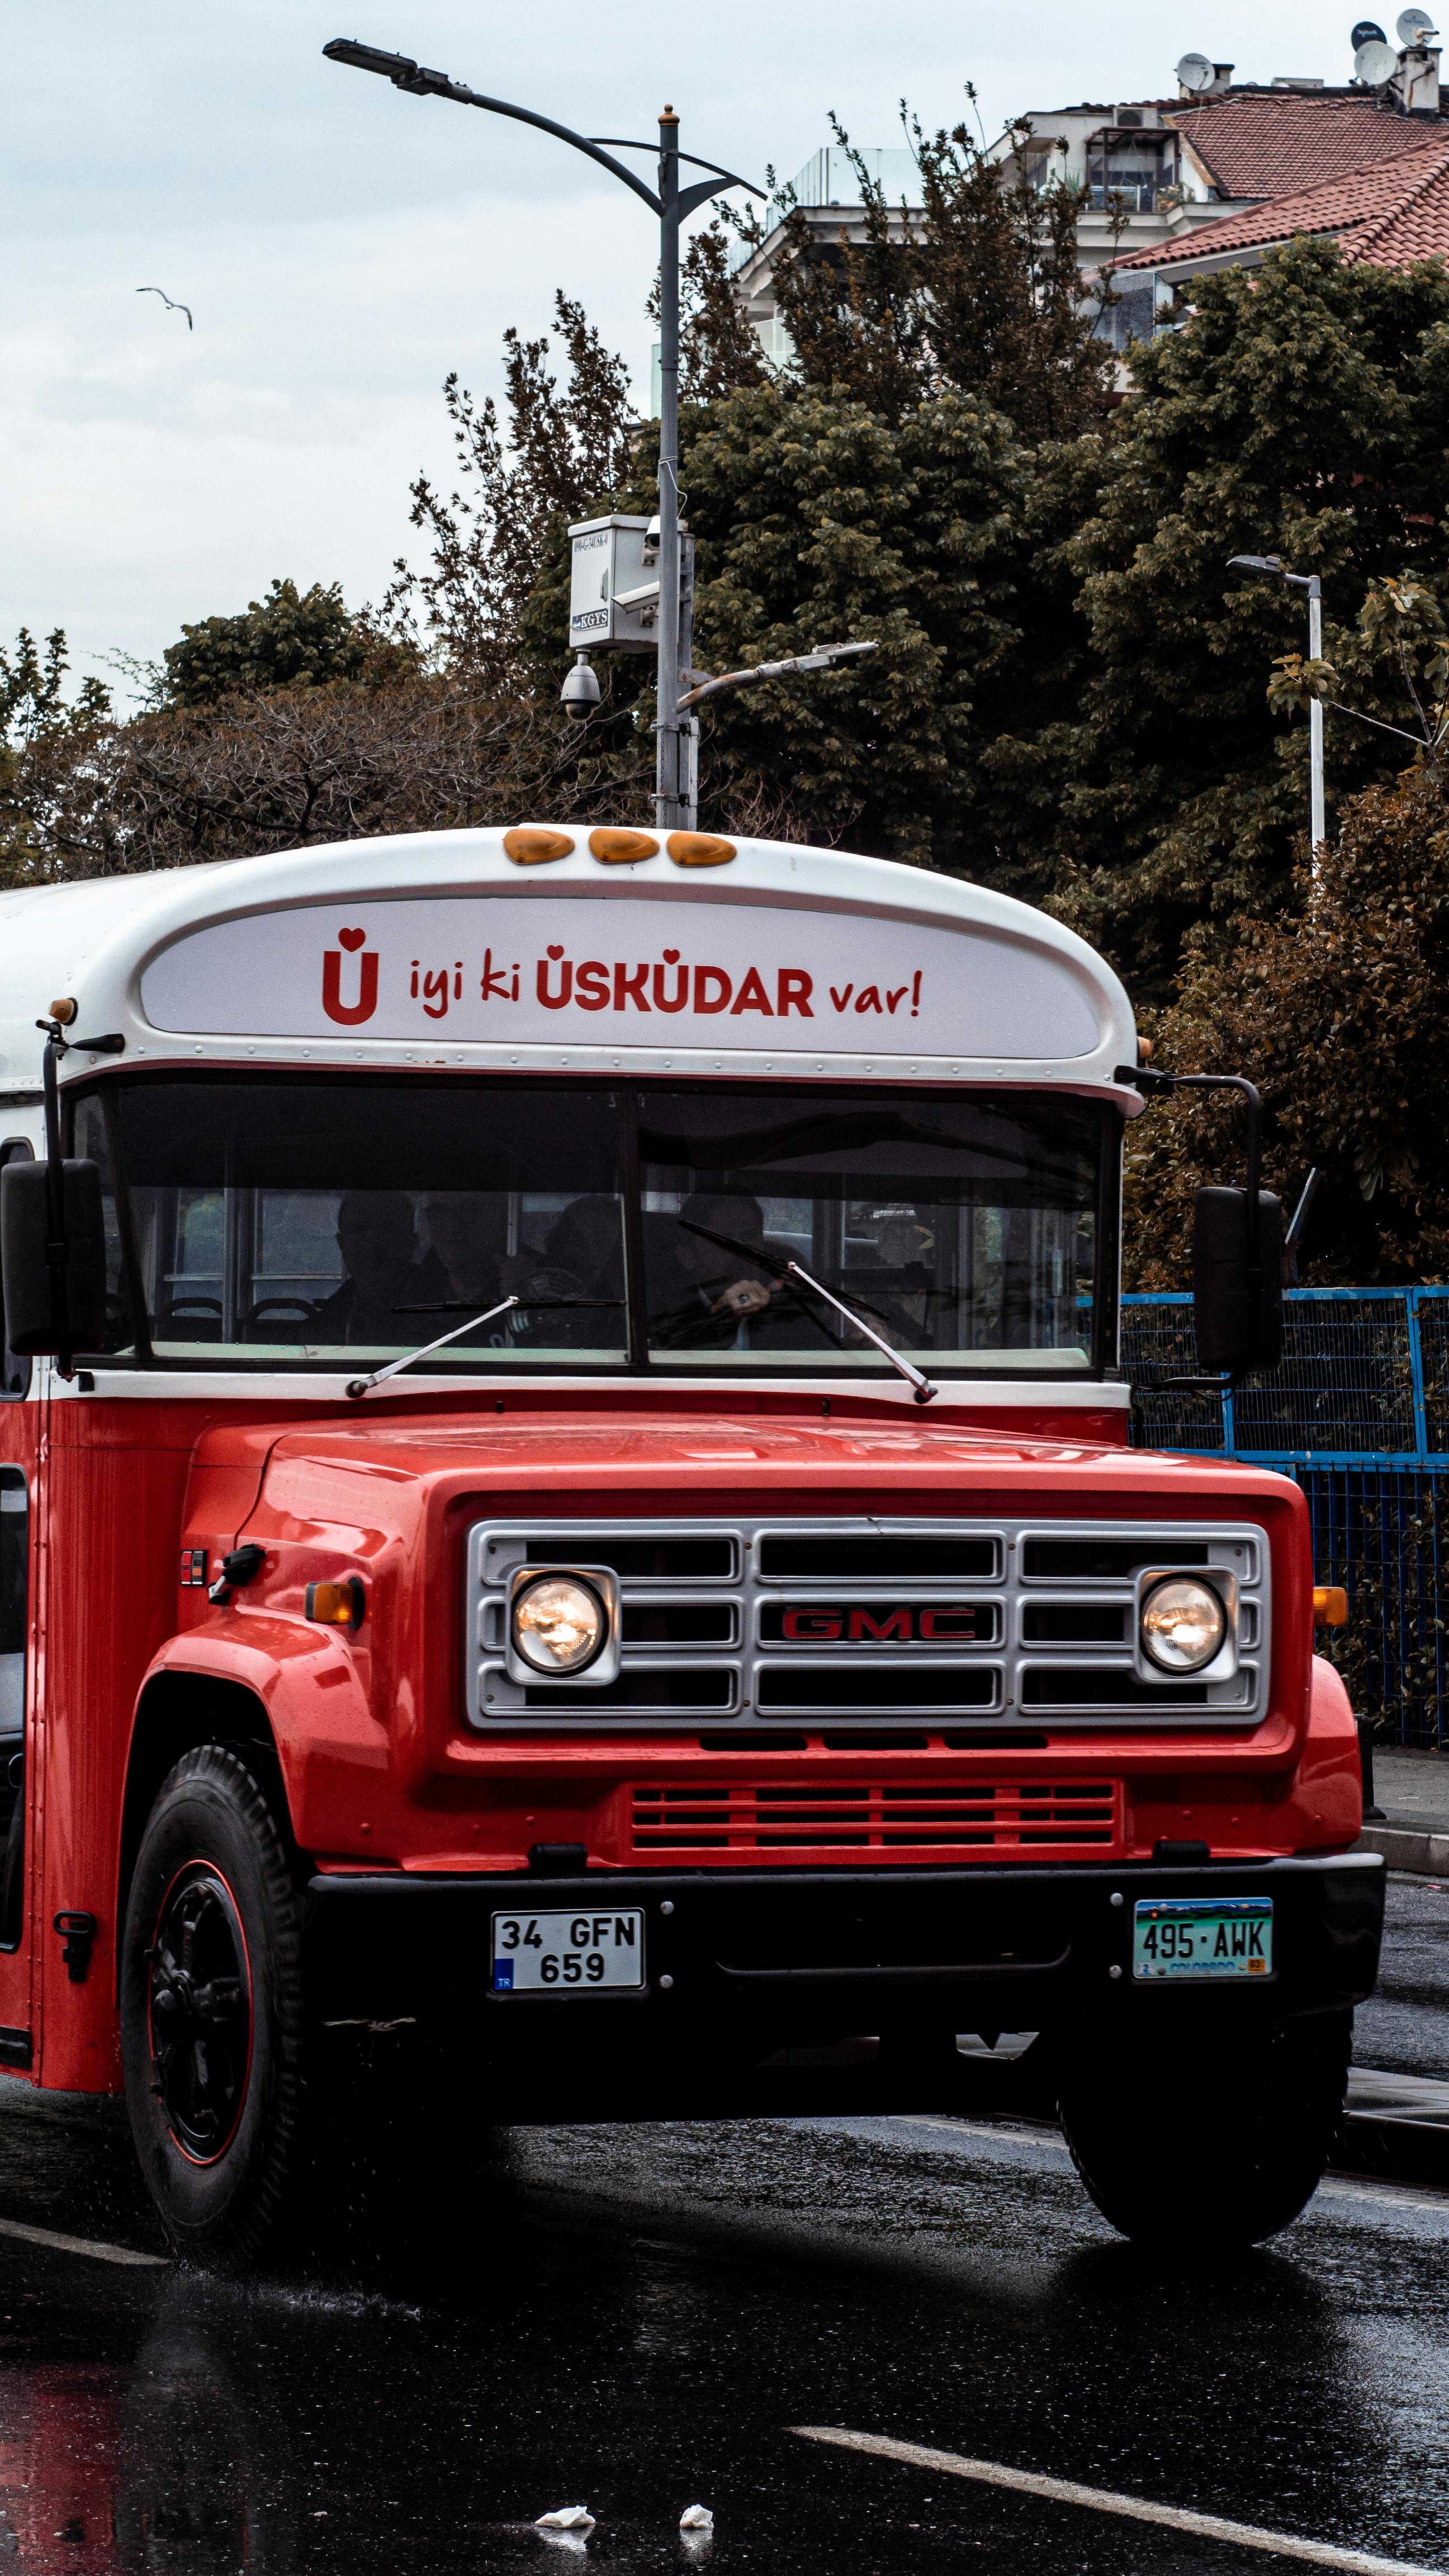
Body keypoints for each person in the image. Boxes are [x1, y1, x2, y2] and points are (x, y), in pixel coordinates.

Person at [309, 1191, 439, 1347]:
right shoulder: (331, 1317)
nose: (372, 1244)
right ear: (342, 1244)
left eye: (387, 1231)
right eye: (359, 1231)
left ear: (411, 1242)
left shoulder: (443, 1313)